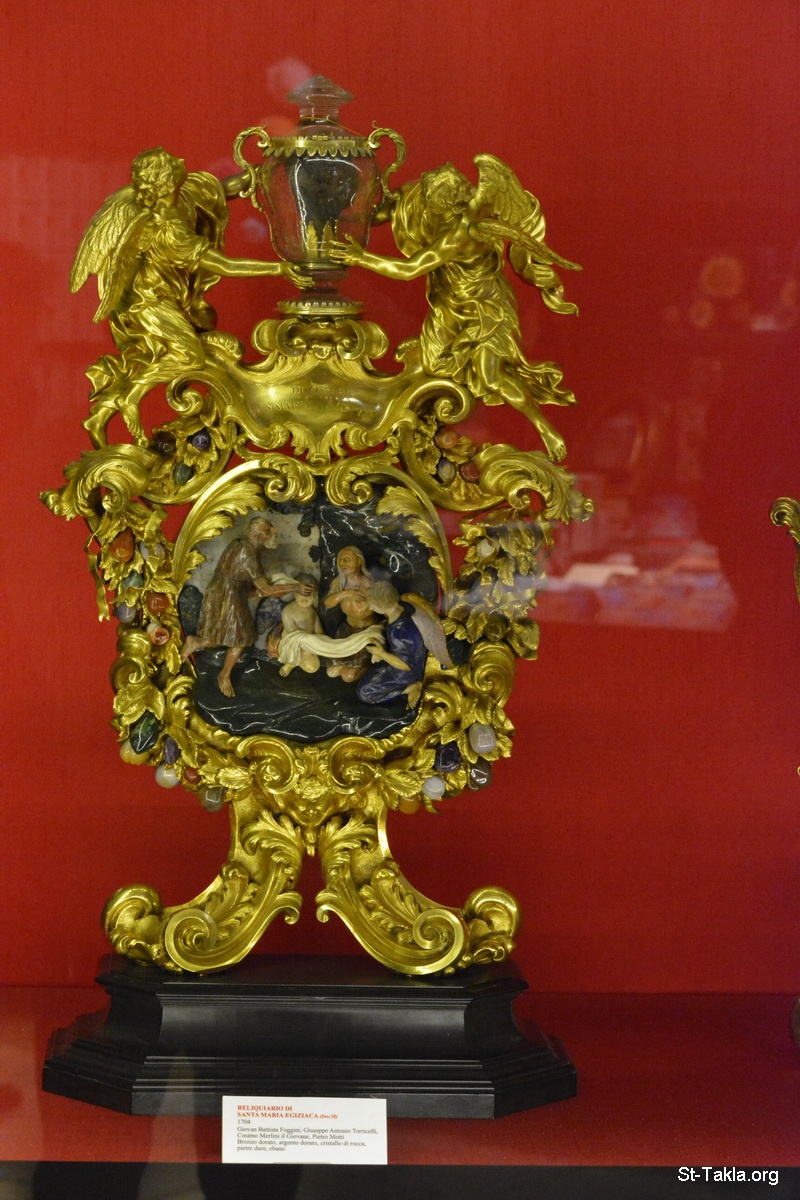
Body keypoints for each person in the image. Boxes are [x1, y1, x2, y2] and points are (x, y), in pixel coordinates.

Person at [71, 147, 305, 446]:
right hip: (150, 305)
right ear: (166, 181)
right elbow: (225, 265)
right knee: (189, 355)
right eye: (173, 163)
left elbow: (221, 190)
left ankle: (100, 417)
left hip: (167, 300)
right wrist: (279, 268)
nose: (181, 160)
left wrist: (259, 175)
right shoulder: (169, 231)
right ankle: (132, 395)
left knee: (149, 359)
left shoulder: (182, 197)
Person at [181, 516, 307, 697]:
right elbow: (265, 589)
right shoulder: (249, 556)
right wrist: (295, 587)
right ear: (257, 536)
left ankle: (196, 642)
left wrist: (258, 592)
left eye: (270, 527)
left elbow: (238, 578)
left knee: (227, 633)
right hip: (229, 595)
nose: (273, 532)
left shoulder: (238, 543)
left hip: (222, 590)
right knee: (240, 638)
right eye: (267, 531)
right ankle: (224, 675)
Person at [323, 546, 377, 682]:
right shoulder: (339, 582)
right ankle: (348, 665)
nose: (343, 563)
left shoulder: (368, 583)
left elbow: (379, 605)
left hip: (366, 631)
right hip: (347, 629)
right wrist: (346, 593)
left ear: (359, 561)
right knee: (331, 672)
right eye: (340, 560)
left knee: (348, 677)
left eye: (347, 559)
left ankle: (368, 667)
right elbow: (328, 603)